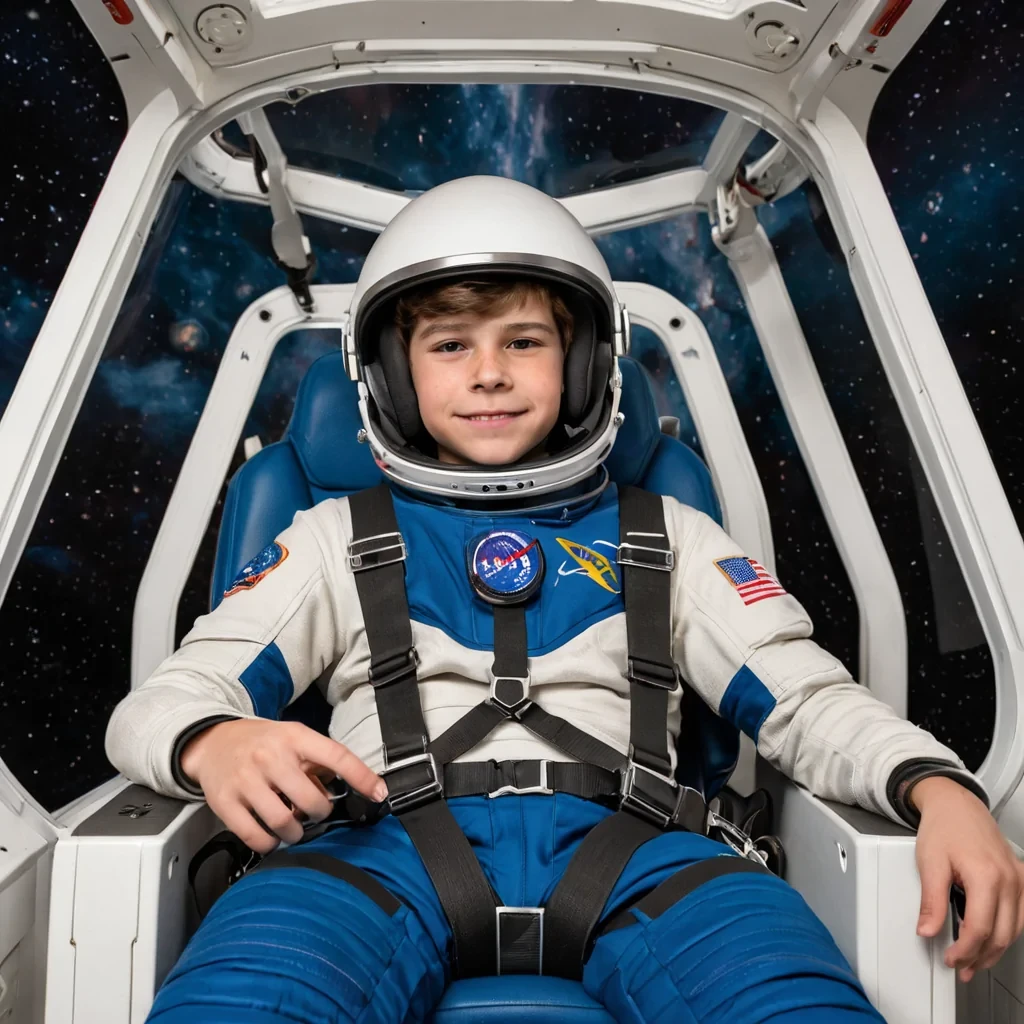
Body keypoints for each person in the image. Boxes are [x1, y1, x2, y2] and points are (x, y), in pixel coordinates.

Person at [106, 175, 1023, 1023]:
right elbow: (165, 702)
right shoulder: (331, 537)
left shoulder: (668, 535)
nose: (490, 372)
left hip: (646, 853)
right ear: (389, 376)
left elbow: (807, 702)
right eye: (450, 346)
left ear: (586, 365)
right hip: (370, 856)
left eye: (526, 342)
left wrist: (937, 785)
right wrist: (213, 740)